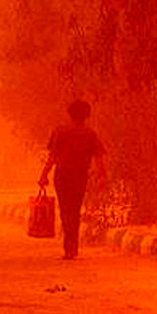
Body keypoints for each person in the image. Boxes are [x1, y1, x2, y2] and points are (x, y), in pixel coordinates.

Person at [39, 100, 107, 259]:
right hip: (80, 176)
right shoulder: (90, 133)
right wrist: (102, 176)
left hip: (62, 175)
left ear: (69, 113)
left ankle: (68, 247)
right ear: (87, 115)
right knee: (75, 210)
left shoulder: (60, 131)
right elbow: (99, 158)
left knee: (65, 210)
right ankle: (73, 247)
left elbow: (53, 156)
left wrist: (43, 175)